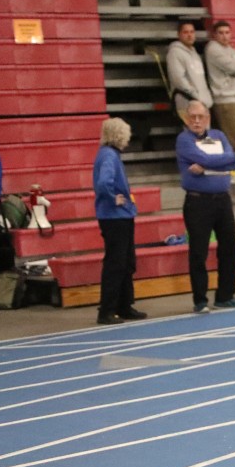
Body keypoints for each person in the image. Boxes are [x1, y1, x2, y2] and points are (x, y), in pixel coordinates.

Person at [175, 100, 235, 313]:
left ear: (208, 118)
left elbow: (233, 161)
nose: (196, 121)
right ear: (186, 119)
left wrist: (207, 164)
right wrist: (224, 160)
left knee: (229, 248)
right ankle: (200, 300)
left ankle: (225, 296)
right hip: (198, 202)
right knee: (198, 251)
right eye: (192, 117)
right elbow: (213, 158)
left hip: (223, 200)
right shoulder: (184, 139)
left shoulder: (219, 136)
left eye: (200, 117)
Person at [93, 117, 146, 325]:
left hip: (119, 216)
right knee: (116, 263)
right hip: (115, 216)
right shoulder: (109, 155)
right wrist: (112, 197)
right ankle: (107, 310)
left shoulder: (109, 154)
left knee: (125, 262)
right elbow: (103, 182)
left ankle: (124, 305)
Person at [204, 20, 235, 152]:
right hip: (225, 100)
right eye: (221, 33)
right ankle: (230, 163)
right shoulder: (213, 49)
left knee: (234, 137)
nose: (224, 36)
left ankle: (230, 161)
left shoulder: (233, 51)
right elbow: (233, 67)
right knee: (231, 139)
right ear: (214, 35)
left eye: (227, 33)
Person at [166, 20, 212, 119]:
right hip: (187, 101)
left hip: (202, 103)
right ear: (179, 34)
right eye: (185, 32)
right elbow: (178, 80)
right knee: (191, 129)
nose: (190, 35)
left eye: (192, 32)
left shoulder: (195, 54)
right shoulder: (175, 53)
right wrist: (196, 97)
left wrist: (205, 99)